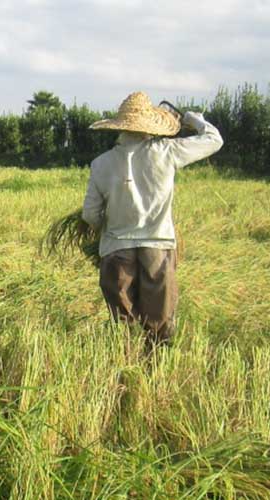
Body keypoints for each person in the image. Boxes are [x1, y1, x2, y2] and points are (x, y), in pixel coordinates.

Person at [82, 91, 223, 350]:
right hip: (158, 250)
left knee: (124, 328)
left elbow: (90, 215)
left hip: (116, 251)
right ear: (150, 127)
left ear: (119, 127)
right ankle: (155, 373)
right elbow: (214, 140)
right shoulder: (167, 152)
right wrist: (196, 120)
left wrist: (109, 227)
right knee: (159, 325)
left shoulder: (100, 164)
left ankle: (126, 373)